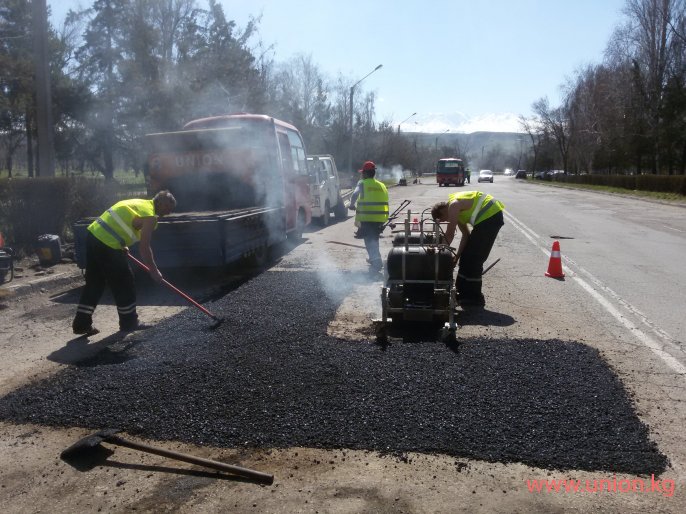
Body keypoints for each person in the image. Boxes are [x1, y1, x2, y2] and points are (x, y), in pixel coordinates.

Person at [72, 190, 177, 335]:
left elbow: (122, 222)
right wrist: (153, 270)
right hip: (107, 244)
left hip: (94, 236)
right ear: (161, 203)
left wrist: (122, 244)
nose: (169, 212)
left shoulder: (139, 203)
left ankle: (81, 324)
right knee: (124, 282)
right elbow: (144, 247)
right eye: (168, 208)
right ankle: (129, 323)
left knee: (95, 282)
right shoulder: (150, 215)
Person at [431, 191, 504, 307]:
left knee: (475, 258)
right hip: (485, 220)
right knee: (465, 257)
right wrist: (457, 256)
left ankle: (475, 297)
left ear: (444, 211)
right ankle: (463, 293)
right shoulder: (458, 213)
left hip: (491, 216)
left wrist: (439, 254)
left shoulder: (454, 206)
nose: (445, 222)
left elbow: (449, 234)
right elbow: (466, 235)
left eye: (443, 219)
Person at [348, 161, 389, 273]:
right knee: (374, 239)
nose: (361, 175)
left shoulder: (362, 183)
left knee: (369, 241)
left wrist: (351, 205)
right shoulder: (382, 185)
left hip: (367, 217)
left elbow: (355, 194)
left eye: (362, 173)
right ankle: (374, 258)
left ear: (365, 173)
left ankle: (376, 262)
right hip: (380, 218)